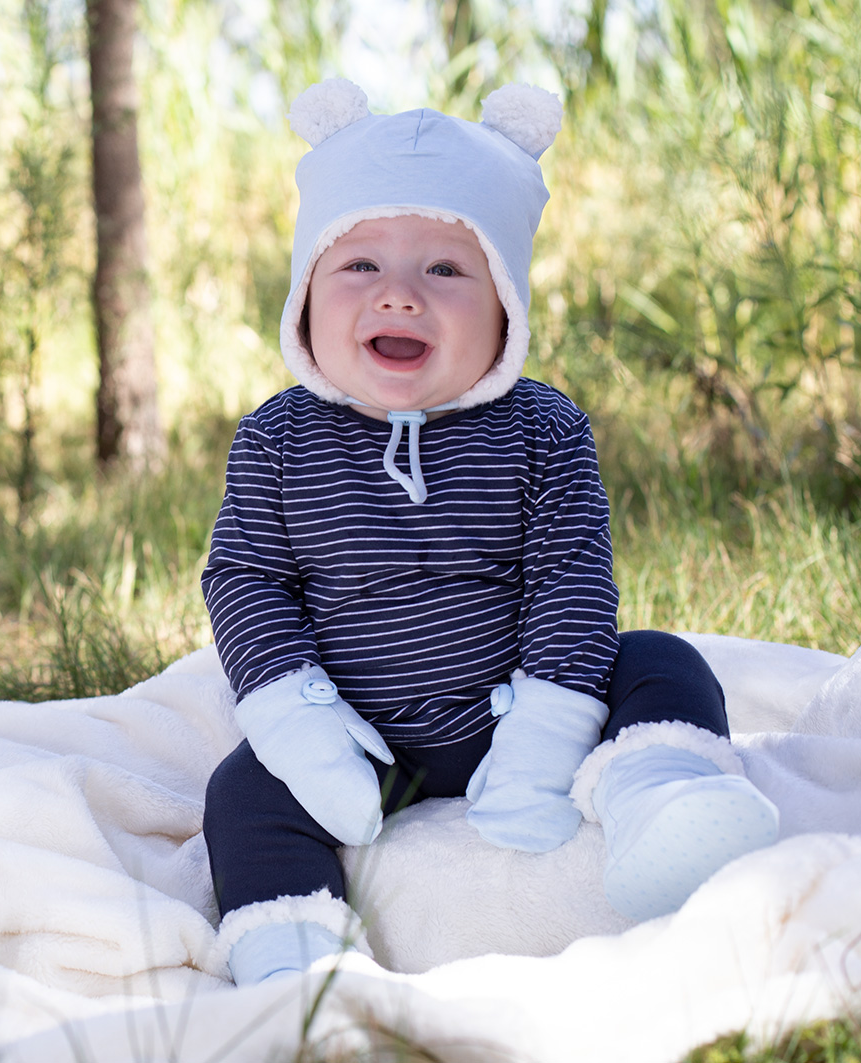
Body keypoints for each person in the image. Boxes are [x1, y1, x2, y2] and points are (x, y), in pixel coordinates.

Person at [201, 79, 781, 986]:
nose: (398, 296)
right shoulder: (278, 441)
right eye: (358, 266)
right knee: (243, 792)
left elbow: (572, 576)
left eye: (444, 270)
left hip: (514, 713)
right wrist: (299, 722)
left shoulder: (542, 430)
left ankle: (661, 799)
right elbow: (244, 580)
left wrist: (550, 729)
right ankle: (297, 956)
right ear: (305, 295)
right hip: (365, 743)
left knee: (664, 661)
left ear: (505, 305)